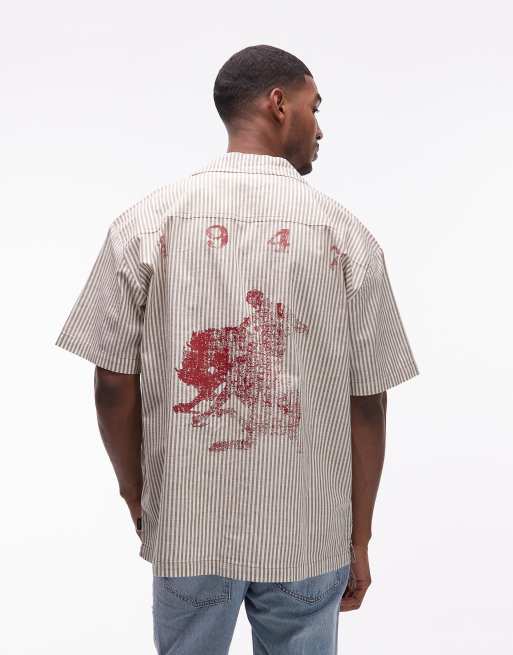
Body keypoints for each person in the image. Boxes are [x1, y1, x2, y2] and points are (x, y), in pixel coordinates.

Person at [55, 44, 420, 655]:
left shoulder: (145, 224)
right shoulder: (346, 236)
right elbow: (369, 403)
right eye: (314, 107)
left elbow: (112, 383)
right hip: (308, 535)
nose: (320, 127)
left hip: (188, 528)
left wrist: (138, 496)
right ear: (279, 104)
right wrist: (358, 537)